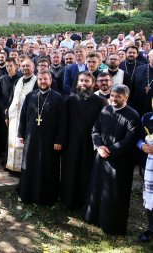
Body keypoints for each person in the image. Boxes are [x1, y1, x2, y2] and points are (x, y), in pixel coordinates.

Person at [84, 84, 141, 235]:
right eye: (112, 96)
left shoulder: (133, 115)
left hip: (119, 162)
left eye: (118, 96)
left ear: (126, 97)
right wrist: (99, 146)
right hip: (101, 157)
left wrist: (111, 151)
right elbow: (95, 130)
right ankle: (94, 217)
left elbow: (130, 140)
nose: (114, 99)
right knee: (97, 188)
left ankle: (110, 225)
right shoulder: (105, 110)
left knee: (115, 193)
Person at [60, 71, 108, 209]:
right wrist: (62, 141)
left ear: (93, 84)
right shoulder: (70, 100)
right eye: (81, 80)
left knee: (87, 172)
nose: (83, 84)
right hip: (72, 143)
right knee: (70, 171)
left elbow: (102, 124)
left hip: (91, 143)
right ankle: (68, 200)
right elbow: (63, 122)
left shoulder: (101, 101)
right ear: (77, 82)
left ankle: (86, 202)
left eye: (87, 81)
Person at [17, 72, 65, 205]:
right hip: (31, 138)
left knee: (48, 166)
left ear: (50, 81)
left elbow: (62, 121)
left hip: (49, 141)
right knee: (30, 164)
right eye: (40, 79)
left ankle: (47, 197)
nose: (42, 81)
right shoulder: (31, 96)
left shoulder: (58, 97)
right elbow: (23, 116)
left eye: (45, 79)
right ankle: (28, 193)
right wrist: (21, 134)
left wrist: (59, 140)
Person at [6, 59, 38, 173]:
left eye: (28, 66)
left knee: (23, 141)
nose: (25, 68)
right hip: (14, 116)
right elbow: (11, 98)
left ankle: (23, 168)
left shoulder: (36, 81)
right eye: (23, 66)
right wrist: (7, 116)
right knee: (12, 141)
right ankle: (11, 166)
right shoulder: (17, 81)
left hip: (27, 117)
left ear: (33, 68)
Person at [0, 57, 21, 166]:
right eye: (7, 66)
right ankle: (7, 158)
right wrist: (4, 108)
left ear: (16, 66)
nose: (9, 68)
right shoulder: (1, 79)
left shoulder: (20, 79)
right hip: (5, 111)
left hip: (17, 113)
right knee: (6, 135)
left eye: (11, 65)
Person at [138, 99, 153, 242]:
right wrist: (142, 145)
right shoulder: (147, 117)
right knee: (150, 196)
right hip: (149, 163)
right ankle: (151, 228)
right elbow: (139, 138)